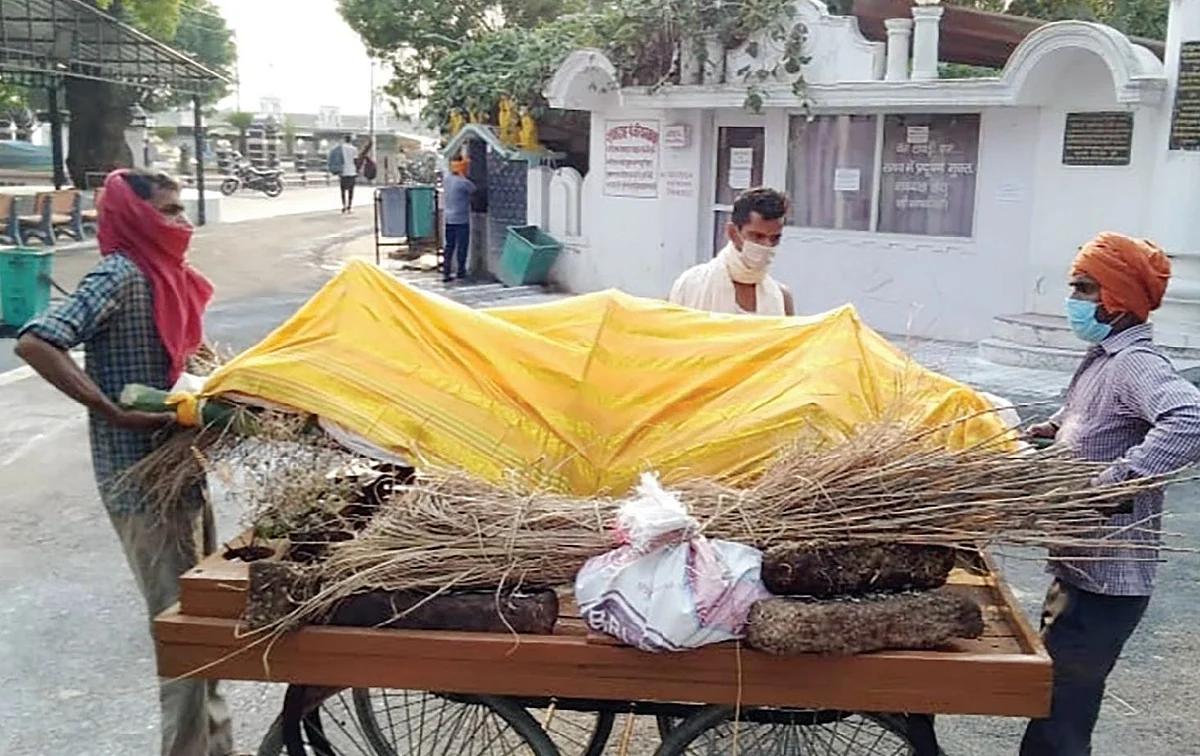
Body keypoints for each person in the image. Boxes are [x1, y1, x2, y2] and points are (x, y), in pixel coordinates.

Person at [14, 169, 229, 756]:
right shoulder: (121, 274)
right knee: (183, 635)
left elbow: (185, 360)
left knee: (208, 627)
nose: (183, 223)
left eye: (184, 209)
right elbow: (37, 340)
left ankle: (218, 747)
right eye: (169, 211)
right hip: (139, 484)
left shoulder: (172, 278)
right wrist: (108, 409)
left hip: (184, 473)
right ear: (134, 217)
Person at [1019, 231, 1200, 756]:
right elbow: (1093, 416)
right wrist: (1054, 428)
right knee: (1051, 692)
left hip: (1109, 573)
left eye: (1083, 289)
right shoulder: (1104, 358)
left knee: (1065, 707)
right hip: (1078, 560)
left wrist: (1117, 482)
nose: (1073, 301)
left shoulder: (1135, 362)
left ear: (1117, 297)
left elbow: (1190, 418)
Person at [668, 187, 795, 316]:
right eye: (757, 236)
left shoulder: (781, 298)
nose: (767, 245)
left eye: (775, 238)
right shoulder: (690, 286)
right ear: (733, 233)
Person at [442, 157, 475, 282]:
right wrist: (463, 176)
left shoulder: (447, 180)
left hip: (448, 219)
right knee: (462, 247)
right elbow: (474, 190)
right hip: (461, 220)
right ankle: (461, 271)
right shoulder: (463, 182)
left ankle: (446, 272)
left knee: (449, 246)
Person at [330, 134, 359, 214]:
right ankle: (349, 206)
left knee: (343, 190)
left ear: (344, 139)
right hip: (352, 171)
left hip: (343, 171)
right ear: (351, 140)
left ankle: (344, 205)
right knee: (351, 190)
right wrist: (357, 170)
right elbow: (355, 160)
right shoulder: (354, 149)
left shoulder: (340, 148)